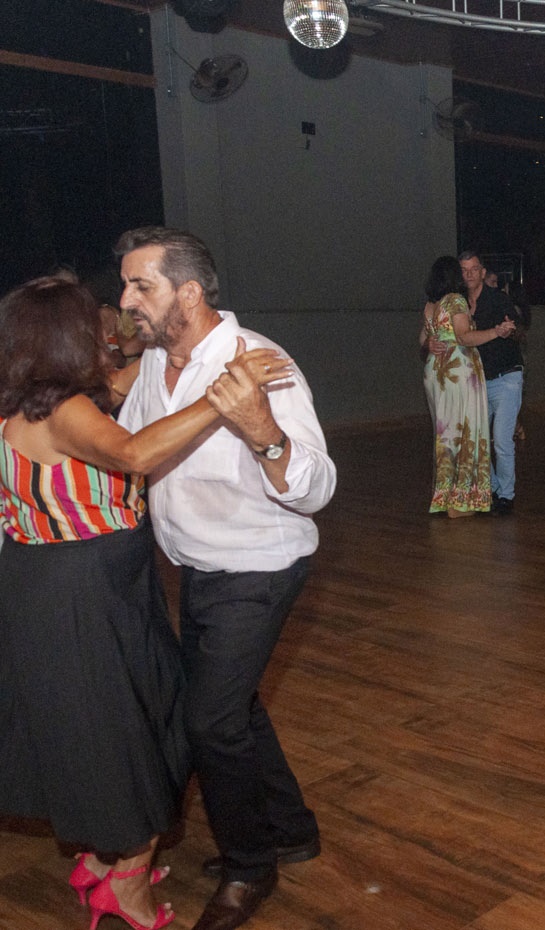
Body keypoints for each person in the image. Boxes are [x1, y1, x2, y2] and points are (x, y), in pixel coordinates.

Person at [0, 276, 289, 930]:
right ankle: (125, 883)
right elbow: (133, 451)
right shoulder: (64, 412)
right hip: (87, 589)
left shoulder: (24, 405)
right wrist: (224, 394)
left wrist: (171, 348)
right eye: (95, 324)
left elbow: (128, 381)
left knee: (97, 726)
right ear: (68, 338)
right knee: (133, 730)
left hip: (58, 584)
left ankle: (100, 861)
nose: (109, 329)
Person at [114, 226, 337, 930]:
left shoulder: (259, 362)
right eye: (125, 285)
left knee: (208, 720)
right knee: (232, 706)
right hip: (197, 566)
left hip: (260, 565)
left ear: (188, 292)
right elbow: (134, 447)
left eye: (140, 285)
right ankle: (290, 827)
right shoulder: (157, 364)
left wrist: (264, 433)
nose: (126, 300)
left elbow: (318, 486)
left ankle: (250, 866)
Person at [419, 256, 503, 517]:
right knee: (464, 432)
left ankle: (443, 498)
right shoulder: (455, 301)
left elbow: (423, 339)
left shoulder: (430, 305)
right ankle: (459, 502)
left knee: (444, 433)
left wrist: (430, 344)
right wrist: (495, 332)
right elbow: (464, 337)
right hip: (457, 373)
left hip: (435, 371)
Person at [460, 250, 528, 516]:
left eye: (474, 269)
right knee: (477, 441)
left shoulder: (498, 299)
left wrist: (508, 329)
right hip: (478, 382)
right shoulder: (459, 304)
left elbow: (516, 325)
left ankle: (506, 496)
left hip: (507, 377)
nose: (469, 274)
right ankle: (497, 489)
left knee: (500, 439)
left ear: (482, 272)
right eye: (464, 270)